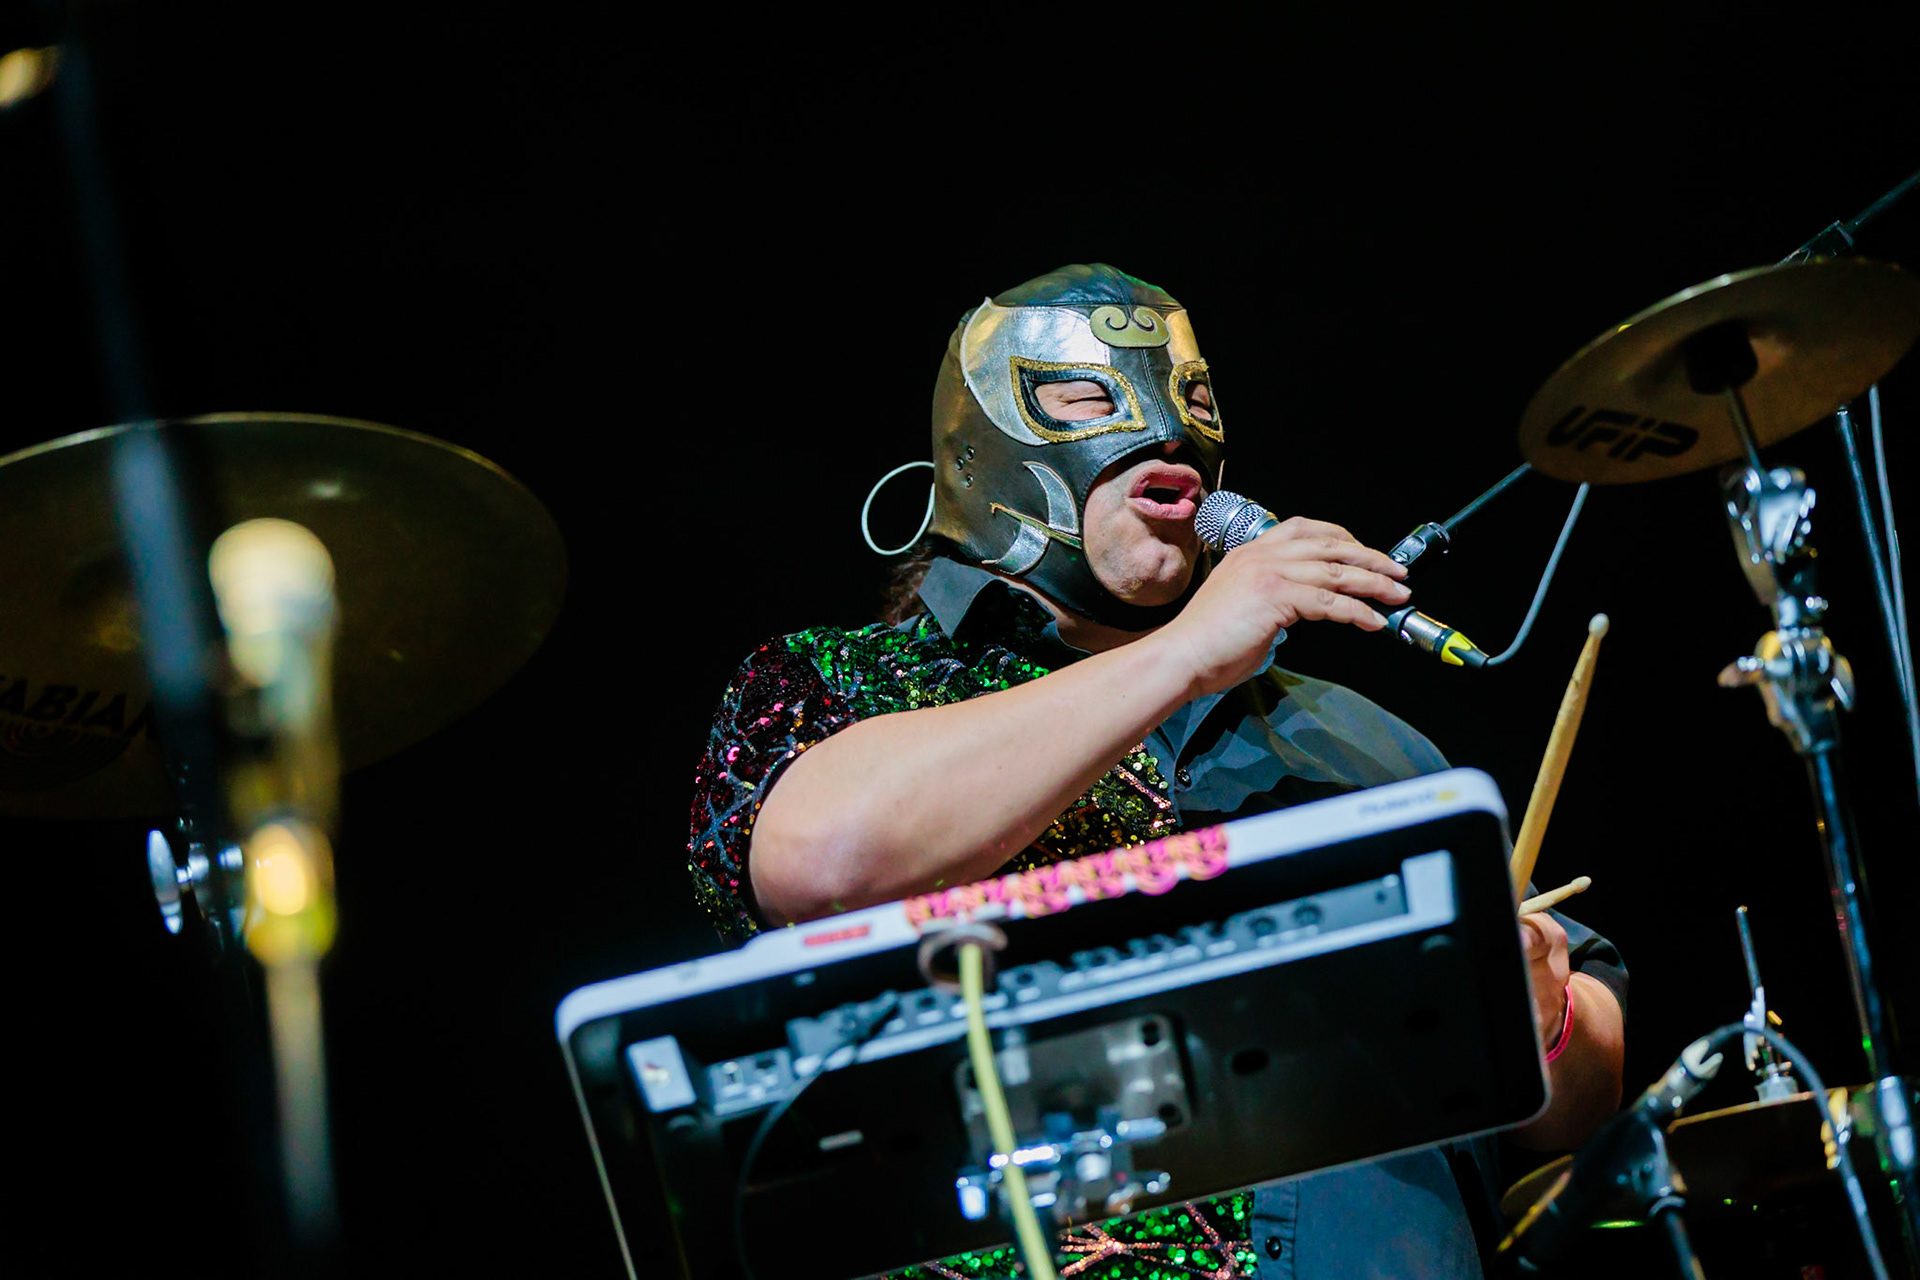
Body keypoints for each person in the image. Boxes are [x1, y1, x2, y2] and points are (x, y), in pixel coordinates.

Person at [687, 264, 1626, 1279]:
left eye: (1193, 402)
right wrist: (1189, 649)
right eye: (1089, 395)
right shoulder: (843, 679)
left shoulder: (1357, 735)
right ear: (983, 447)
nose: (1165, 431)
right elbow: (813, 855)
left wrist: (1544, 1013)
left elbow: (1586, 1080)